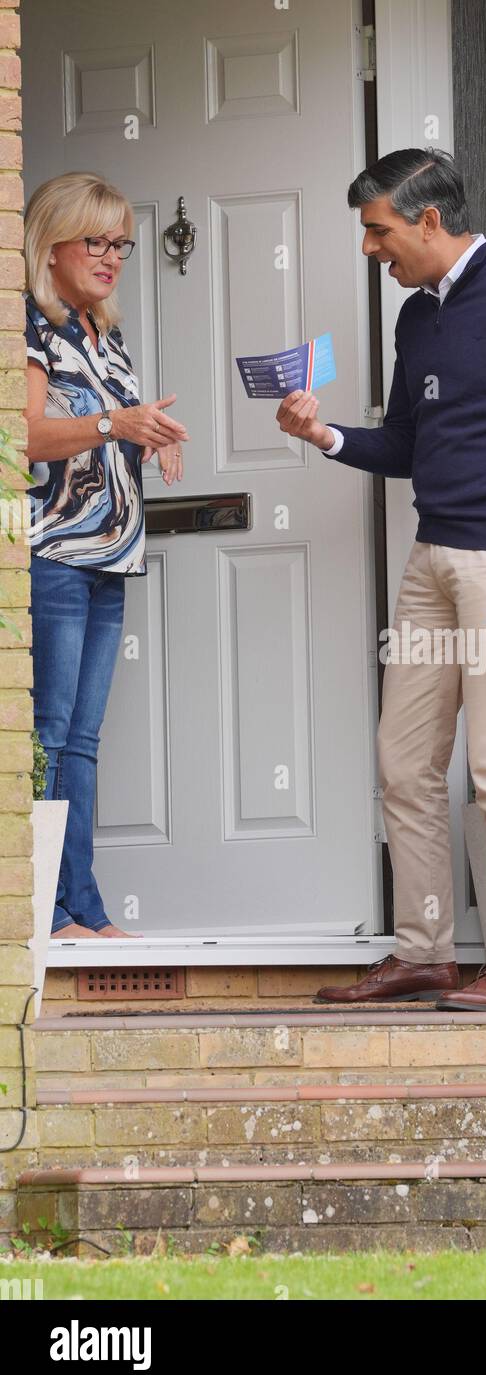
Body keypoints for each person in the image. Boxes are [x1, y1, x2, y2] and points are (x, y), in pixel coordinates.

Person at [277, 149, 486, 1009]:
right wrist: (326, 435)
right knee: (404, 762)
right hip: (431, 562)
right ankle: (423, 950)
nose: (370, 249)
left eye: (378, 231)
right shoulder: (416, 319)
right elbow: (408, 446)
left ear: (427, 219)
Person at [24, 172, 189, 939]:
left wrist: (149, 439)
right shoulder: (28, 327)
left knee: (81, 744)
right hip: (54, 555)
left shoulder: (102, 333)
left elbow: (112, 428)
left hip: (110, 559)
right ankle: (48, 910)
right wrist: (113, 428)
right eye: (95, 240)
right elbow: (23, 436)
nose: (111, 255)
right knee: (50, 736)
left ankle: (83, 905)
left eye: (120, 243)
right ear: (50, 242)